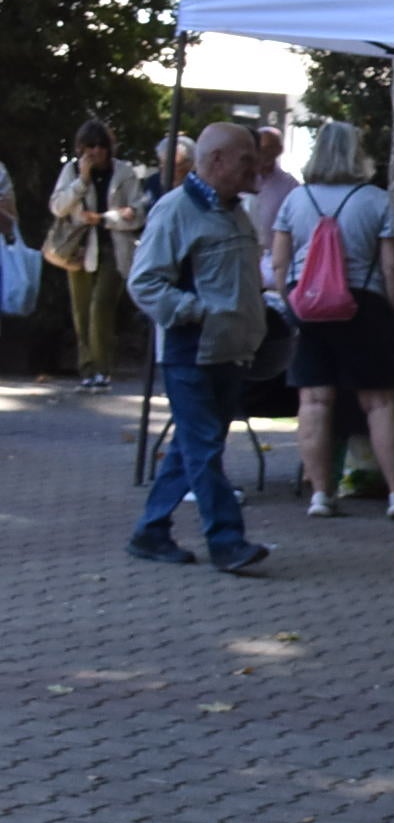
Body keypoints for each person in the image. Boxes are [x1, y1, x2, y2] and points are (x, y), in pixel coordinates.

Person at [122, 123, 273, 574]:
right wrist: (196, 312)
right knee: (204, 447)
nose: (257, 168)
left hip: (229, 350)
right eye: (247, 159)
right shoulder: (175, 211)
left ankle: (150, 532)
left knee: (195, 446)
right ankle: (227, 542)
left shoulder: (234, 210)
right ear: (217, 161)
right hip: (192, 352)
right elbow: (144, 283)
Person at [270, 121, 394, 520]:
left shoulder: (296, 199)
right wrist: (393, 313)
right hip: (364, 304)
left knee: (313, 399)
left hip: (309, 307)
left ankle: (321, 494)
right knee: (378, 402)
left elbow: (278, 260)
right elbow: (393, 267)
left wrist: (291, 300)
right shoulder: (375, 199)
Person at [50, 120, 142, 391]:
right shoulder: (71, 171)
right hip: (79, 249)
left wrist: (104, 219)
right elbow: (58, 207)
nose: (96, 152)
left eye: (101, 146)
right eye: (90, 147)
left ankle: (102, 369)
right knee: (81, 311)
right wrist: (82, 181)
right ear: (81, 148)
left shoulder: (124, 173)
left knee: (100, 307)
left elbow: (137, 212)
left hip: (113, 248)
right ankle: (87, 370)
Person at [247, 126, 298, 245]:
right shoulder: (242, 178)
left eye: (270, 148)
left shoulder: (289, 184)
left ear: (279, 150)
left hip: (273, 254)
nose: (265, 153)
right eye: (260, 148)